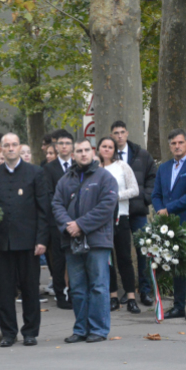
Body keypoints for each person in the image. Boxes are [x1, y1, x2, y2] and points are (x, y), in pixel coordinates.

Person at [0, 133, 49, 347]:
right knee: (4, 290)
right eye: (6, 145)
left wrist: (42, 239)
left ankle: (30, 331)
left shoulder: (35, 173)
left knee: (30, 288)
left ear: (20, 147)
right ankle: (8, 333)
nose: (11, 148)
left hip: (29, 241)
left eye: (14, 145)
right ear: (0, 149)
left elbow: (43, 209)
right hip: (2, 242)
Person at [52, 139, 118, 344]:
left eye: (86, 150)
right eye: (78, 151)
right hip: (71, 241)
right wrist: (68, 225)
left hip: (97, 241)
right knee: (77, 288)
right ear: (73, 155)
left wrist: (80, 225)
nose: (82, 154)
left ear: (93, 152)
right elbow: (56, 205)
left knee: (98, 286)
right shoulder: (65, 180)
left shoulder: (105, 177)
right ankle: (81, 329)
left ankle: (98, 329)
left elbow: (107, 206)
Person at [152, 129, 186, 321]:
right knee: (176, 265)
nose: (177, 146)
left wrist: (168, 209)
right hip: (169, 226)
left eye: (180, 143)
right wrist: (160, 210)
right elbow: (156, 194)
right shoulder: (164, 168)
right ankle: (178, 307)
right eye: (173, 143)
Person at [111, 120, 157, 307]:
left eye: (122, 132)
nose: (119, 135)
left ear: (127, 133)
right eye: (116, 133)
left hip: (137, 211)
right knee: (121, 253)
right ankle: (128, 291)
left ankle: (145, 291)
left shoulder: (142, 154)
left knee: (143, 251)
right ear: (112, 135)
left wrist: (145, 197)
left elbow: (152, 177)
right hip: (117, 213)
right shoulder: (107, 156)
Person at [96, 137, 141, 314]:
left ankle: (131, 298)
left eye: (110, 147)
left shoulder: (122, 166)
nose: (107, 149)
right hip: (101, 221)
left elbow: (135, 190)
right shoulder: (95, 168)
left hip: (120, 217)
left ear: (114, 149)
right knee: (108, 261)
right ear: (99, 148)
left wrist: (114, 196)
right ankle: (113, 296)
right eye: (104, 146)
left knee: (124, 258)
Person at [43, 129, 75, 309]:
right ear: (56, 147)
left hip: (77, 221)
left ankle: (73, 292)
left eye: (67, 144)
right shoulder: (48, 168)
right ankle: (60, 293)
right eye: (61, 144)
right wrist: (61, 217)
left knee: (74, 258)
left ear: (72, 147)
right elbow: (49, 196)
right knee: (58, 259)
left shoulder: (78, 165)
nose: (64, 147)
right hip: (56, 222)